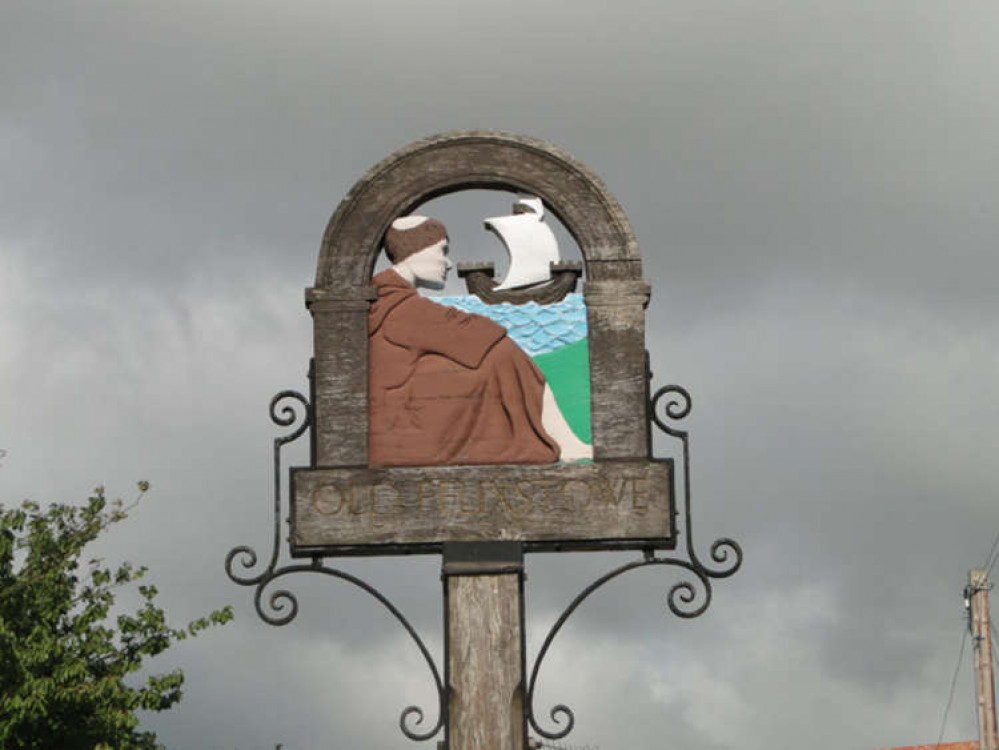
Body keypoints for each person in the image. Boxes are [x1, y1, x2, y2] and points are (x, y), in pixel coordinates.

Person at [368, 215, 592, 467]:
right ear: (417, 251)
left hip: (402, 409)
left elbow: (456, 329)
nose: (448, 262)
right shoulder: (398, 305)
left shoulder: (389, 300)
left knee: (497, 355)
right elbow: (461, 330)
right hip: (402, 419)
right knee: (500, 353)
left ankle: (559, 438)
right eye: (442, 251)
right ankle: (558, 440)